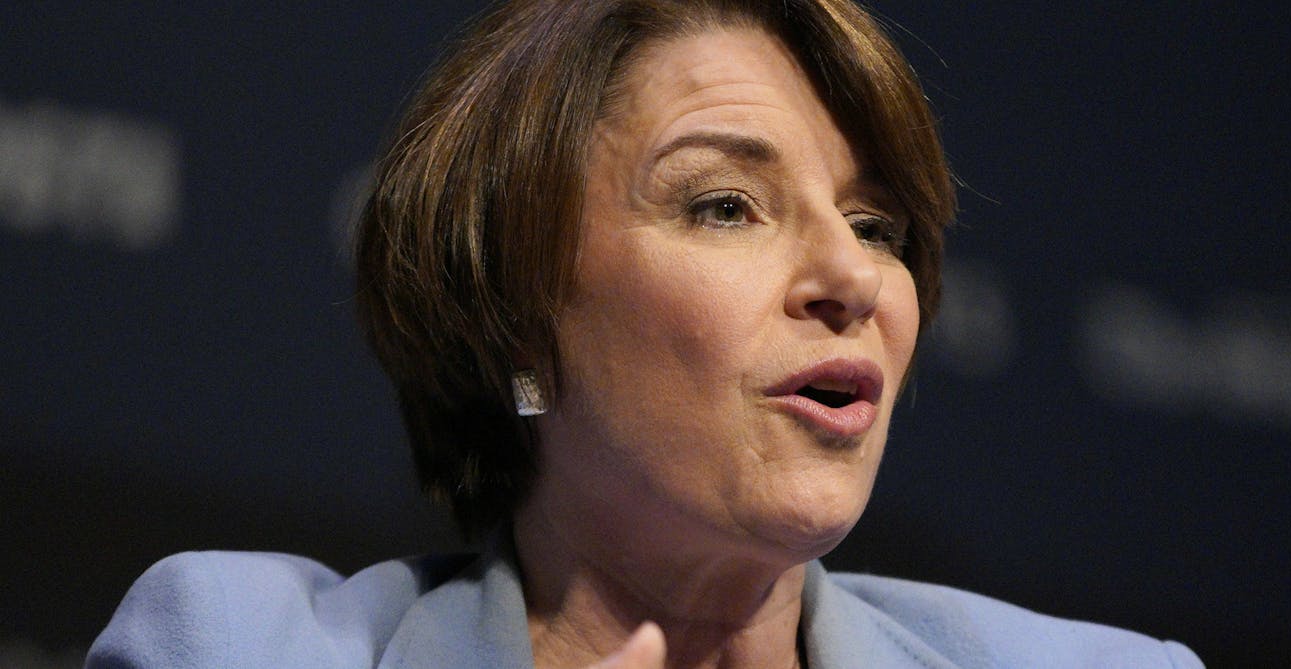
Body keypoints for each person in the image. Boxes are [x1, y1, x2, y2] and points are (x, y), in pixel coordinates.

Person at [87, 1, 1204, 667]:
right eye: (724, 204)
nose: (849, 277)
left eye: (875, 225)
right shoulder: (238, 646)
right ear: (516, 303)